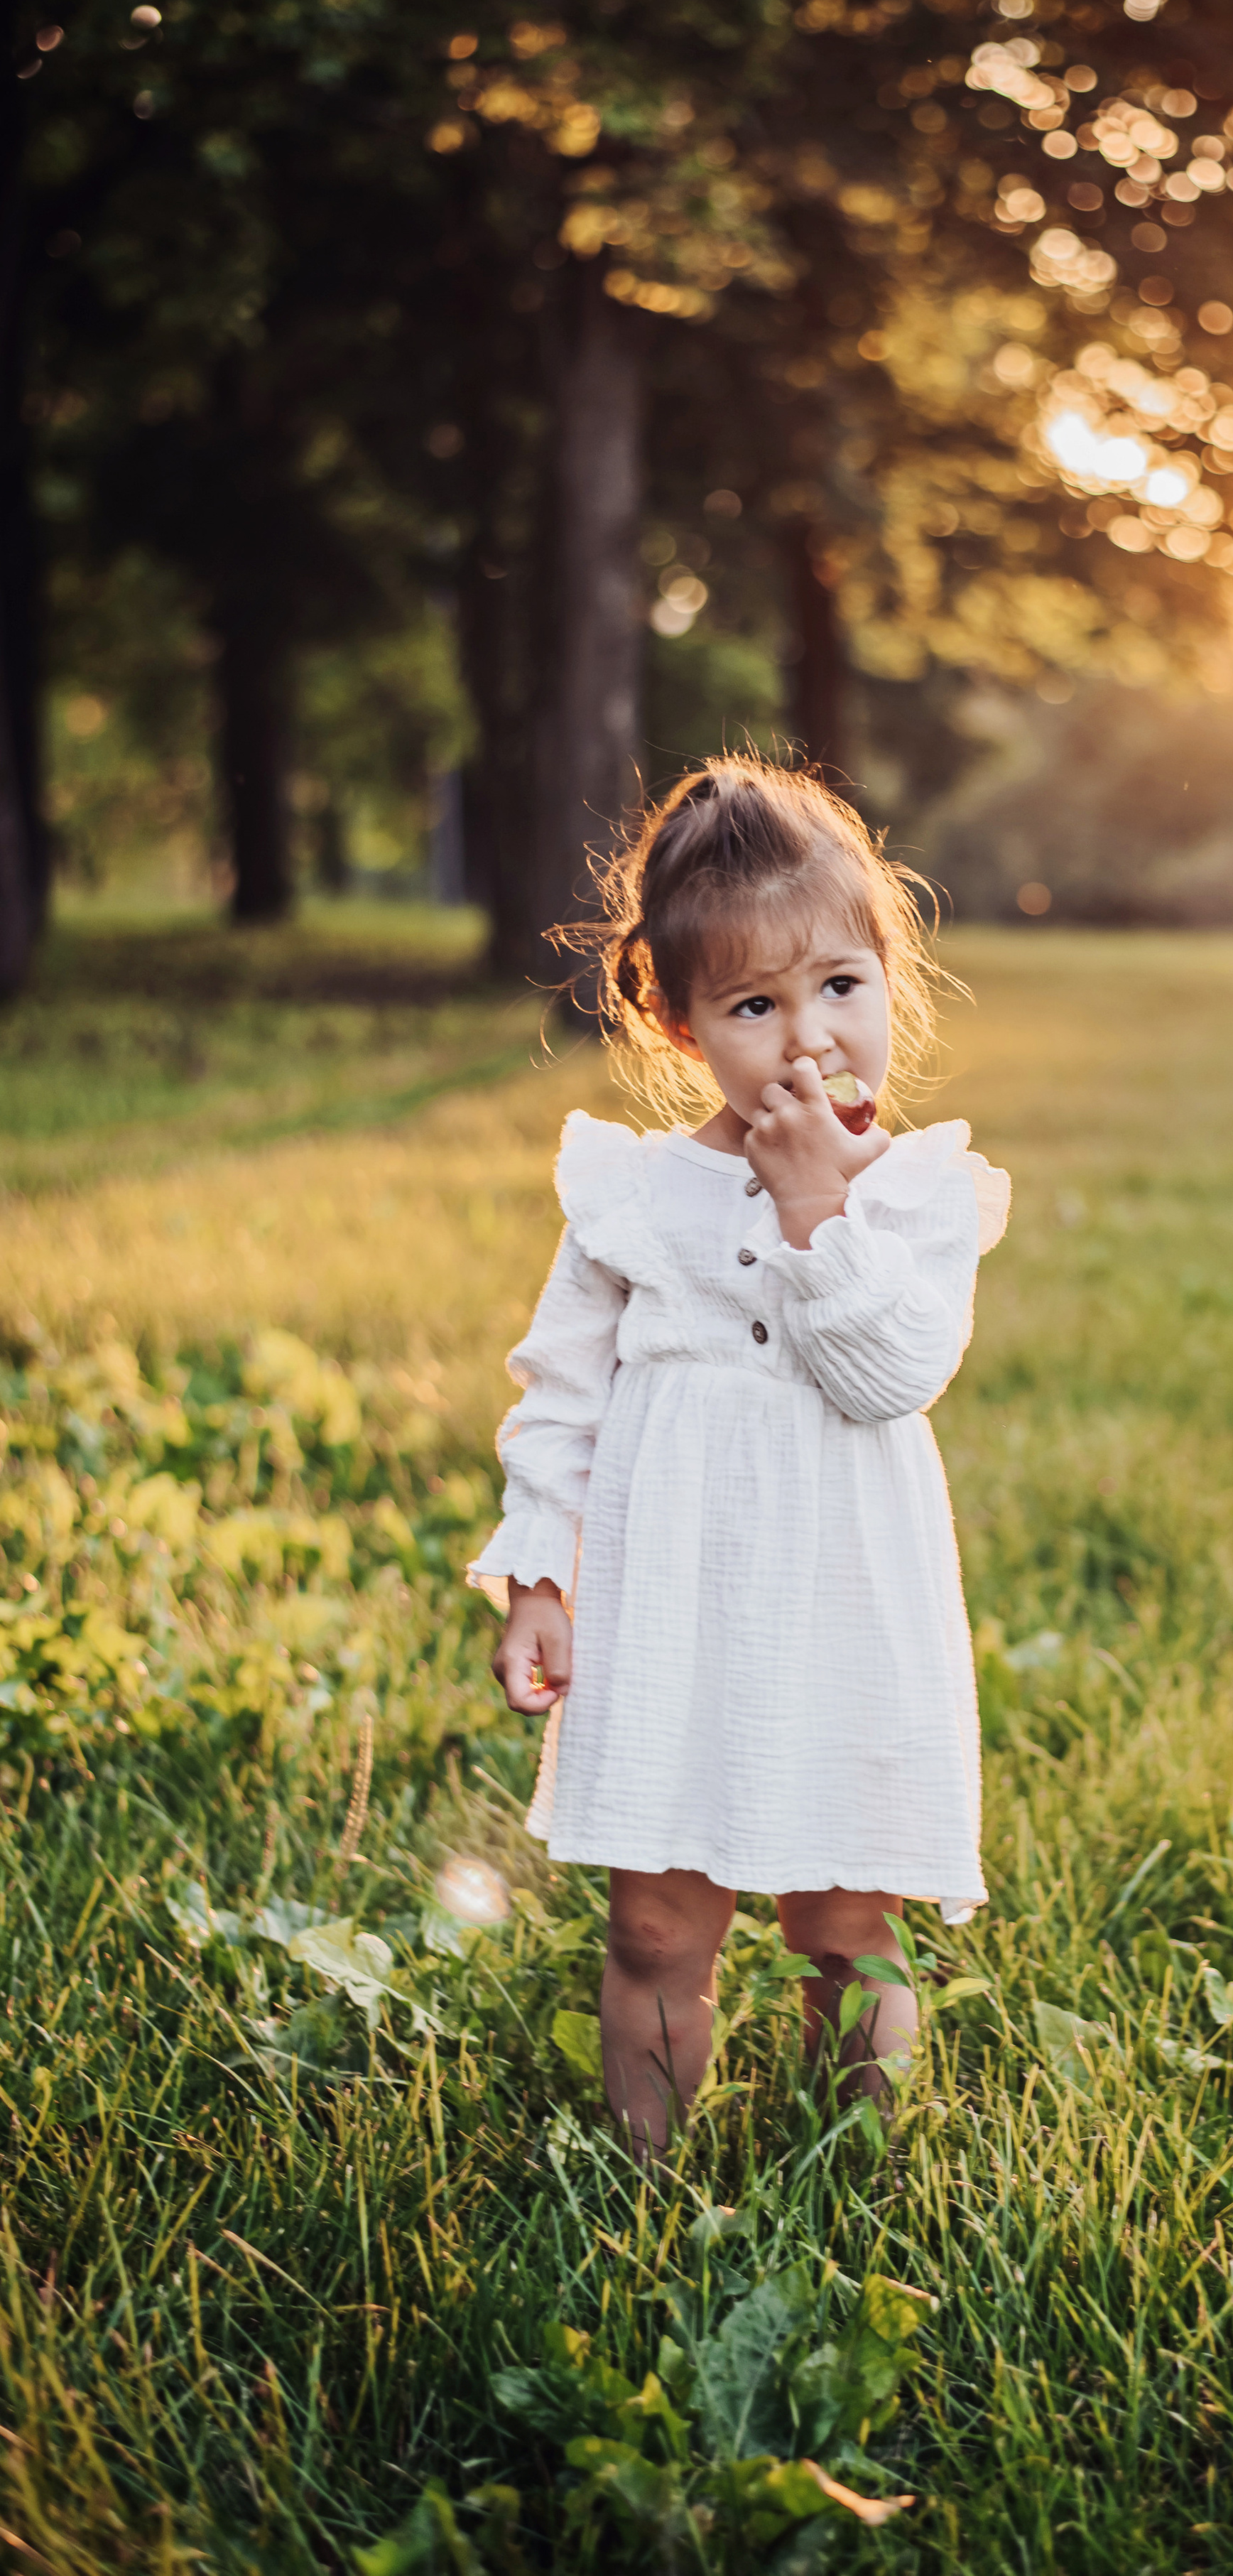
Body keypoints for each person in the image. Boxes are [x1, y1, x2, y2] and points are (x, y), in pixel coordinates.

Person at [468, 759, 1010, 2158]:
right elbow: (559, 1397)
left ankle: (848, 2173)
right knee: (654, 1921)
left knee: (848, 1920)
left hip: (845, 1611)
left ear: (890, 975)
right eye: (752, 1006)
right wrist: (541, 1574)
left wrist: (818, 1210)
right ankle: (638, 2182)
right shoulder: (635, 1197)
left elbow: (890, 1370)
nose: (807, 1037)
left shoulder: (916, 1195)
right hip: (672, 1618)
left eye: (839, 985)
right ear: (675, 1018)